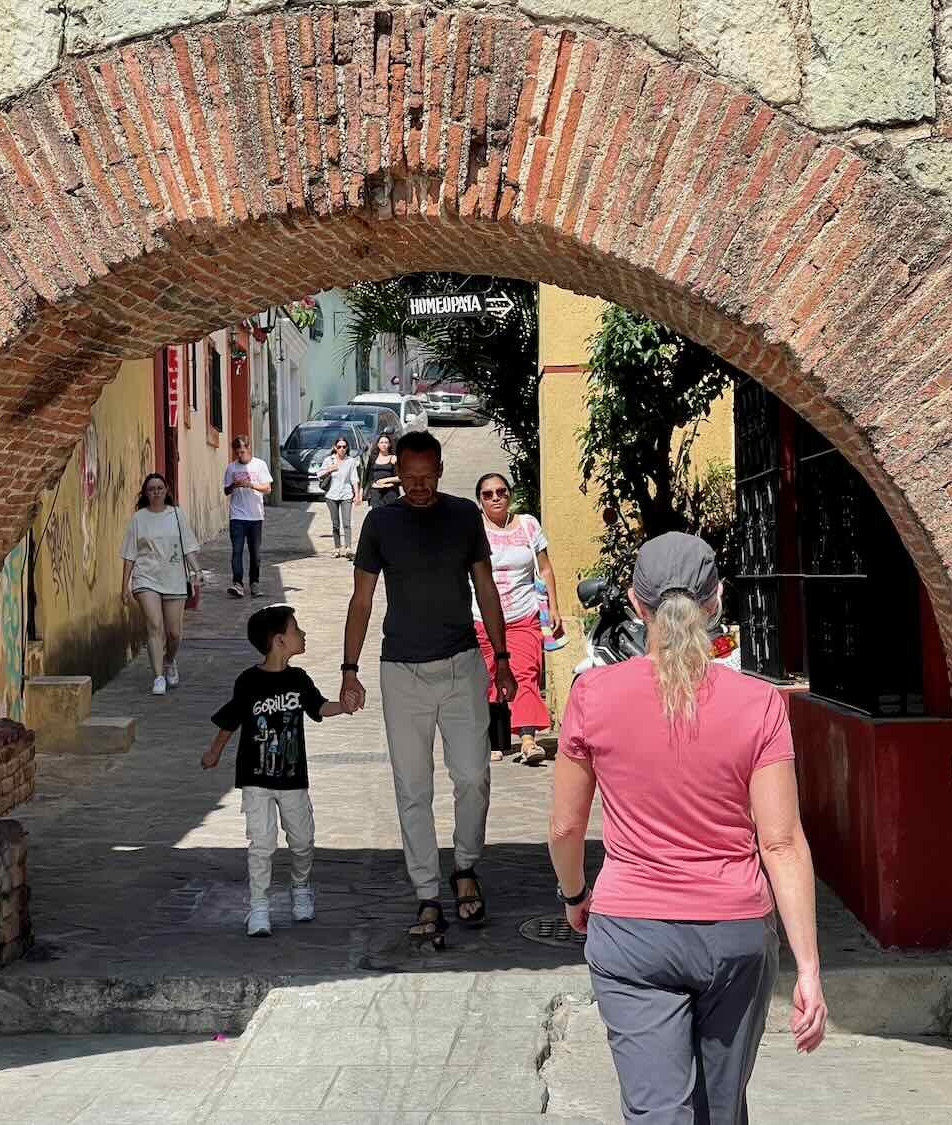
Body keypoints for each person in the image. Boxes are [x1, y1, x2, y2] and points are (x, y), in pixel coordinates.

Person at [548, 532, 827, 1125]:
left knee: (657, 1112)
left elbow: (565, 828)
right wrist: (808, 966)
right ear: (717, 600)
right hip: (735, 932)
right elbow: (780, 841)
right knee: (721, 1109)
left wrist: (575, 895)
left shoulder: (592, 694)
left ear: (634, 602)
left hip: (631, 931)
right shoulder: (759, 702)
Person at [339, 430, 518, 941]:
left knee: (473, 775)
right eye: (409, 478)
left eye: (426, 477)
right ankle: (426, 894)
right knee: (412, 788)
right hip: (401, 673)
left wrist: (501, 658)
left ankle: (464, 867)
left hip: (463, 664)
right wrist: (349, 670)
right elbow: (361, 601)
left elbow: (485, 586)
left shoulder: (464, 516)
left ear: (439, 470)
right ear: (398, 471)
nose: (417, 487)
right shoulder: (380, 522)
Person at [202, 604, 348, 936]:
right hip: (255, 779)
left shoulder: (299, 679)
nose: (304, 634)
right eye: (297, 630)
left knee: (302, 841)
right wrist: (214, 751)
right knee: (262, 843)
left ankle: (300, 888)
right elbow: (231, 719)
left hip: (293, 779)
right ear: (279, 640)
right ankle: (259, 908)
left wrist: (345, 705)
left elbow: (319, 708)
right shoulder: (249, 681)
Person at [472, 472, 564, 766]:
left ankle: (527, 740)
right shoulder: (473, 530)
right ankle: (492, 742)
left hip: (523, 615)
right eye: (488, 494)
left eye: (501, 491)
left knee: (525, 673)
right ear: (480, 501)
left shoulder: (528, 525)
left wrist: (554, 607)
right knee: (486, 677)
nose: (496, 497)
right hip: (482, 618)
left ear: (509, 494)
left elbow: (546, 569)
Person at [120, 472, 204, 696]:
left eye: (159, 488)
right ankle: (158, 677)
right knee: (154, 625)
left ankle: (170, 660)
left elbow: (188, 546)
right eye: (151, 489)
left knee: (174, 633)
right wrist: (124, 585)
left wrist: (197, 571)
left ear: (166, 491)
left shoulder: (176, 515)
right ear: (145, 494)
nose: (156, 492)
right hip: (146, 578)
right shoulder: (139, 518)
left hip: (174, 577)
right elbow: (130, 553)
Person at [223, 435, 273, 598]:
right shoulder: (231, 468)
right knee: (236, 551)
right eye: (237, 452)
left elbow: (267, 488)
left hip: (255, 516)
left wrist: (250, 484)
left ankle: (254, 583)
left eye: (242, 451)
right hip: (237, 515)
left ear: (249, 448)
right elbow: (226, 491)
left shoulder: (260, 465)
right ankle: (237, 583)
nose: (240, 455)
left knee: (255, 553)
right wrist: (234, 485)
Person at [316, 435, 362, 557]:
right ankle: (337, 548)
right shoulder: (329, 460)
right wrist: (330, 470)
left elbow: (354, 478)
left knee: (347, 523)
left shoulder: (350, 461)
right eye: (339, 447)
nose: (342, 449)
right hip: (331, 495)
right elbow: (319, 474)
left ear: (347, 448)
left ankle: (348, 548)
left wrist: (357, 495)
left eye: (344, 447)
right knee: (335, 524)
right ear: (335, 447)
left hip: (346, 494)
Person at [366, 432, 401, 508]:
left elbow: (400, 477)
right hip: (376, 492)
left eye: (386, 442)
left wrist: (385, 480)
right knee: (377, 516)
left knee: (390, 517)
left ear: (389, 444)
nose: (384, 444)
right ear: (378, 444)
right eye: (381, 442)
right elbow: (367, 476)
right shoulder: (373, 458)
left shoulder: (394, 458)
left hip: (390, 492)